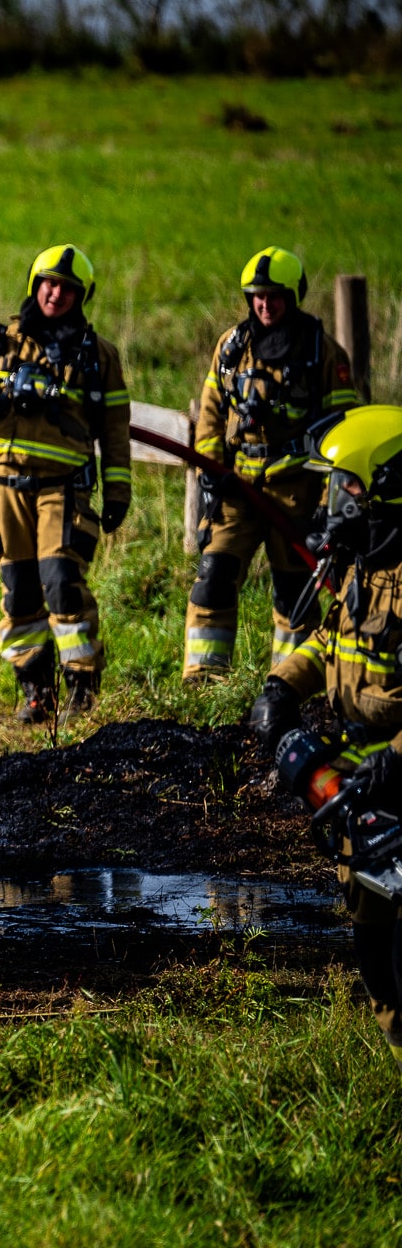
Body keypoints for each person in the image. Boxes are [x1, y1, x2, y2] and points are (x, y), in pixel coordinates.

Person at [250, 405, 402, 1066]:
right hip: (371, 798)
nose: (331, 501)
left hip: (394, 780)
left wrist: (395, 764)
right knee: (373, 942)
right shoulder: (363, 561)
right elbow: (330, 639)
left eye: (345, 486)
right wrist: (283, 686)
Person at [0, 245, 132, 721]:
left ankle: (80, 688)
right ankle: (36, 690)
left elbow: (114, 430)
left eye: (67, 288)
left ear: (81, 296)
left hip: (62, 490)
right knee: (20, 590)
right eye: (49, 283)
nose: (56, 294)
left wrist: (117, 492)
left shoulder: (98, 356)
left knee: (62, 584)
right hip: (2, 489)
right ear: (35, 284)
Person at [184, 247, 361, 679]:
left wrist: (327, 505)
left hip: (297, 492)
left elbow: (344, 437)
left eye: (274, 296)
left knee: (294, 595)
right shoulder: (231, 348)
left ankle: (289, 685)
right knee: (213, 575)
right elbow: (210, 414)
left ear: (292, 296)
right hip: (238, 488)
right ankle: (204, 683)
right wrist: (212, 471)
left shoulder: (325, 355)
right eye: (257, 296)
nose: (264, 304)